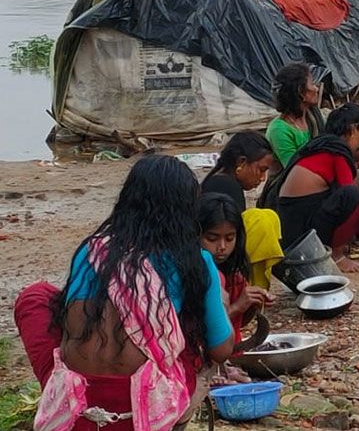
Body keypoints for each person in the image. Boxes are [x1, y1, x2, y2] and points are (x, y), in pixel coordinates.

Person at [13, 155, 234, 431]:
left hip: (78, 405)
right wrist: (222, 304)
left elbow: (67, 319)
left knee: (37, 295)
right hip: (144, 409)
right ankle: (178, 413)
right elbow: (222, 350)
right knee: (189, 324)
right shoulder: (196, 262)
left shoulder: (91, 250)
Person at [267, 103, 359, 274]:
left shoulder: (321, 145)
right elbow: (348, 193)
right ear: (354, 129)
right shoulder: (337, 152)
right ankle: (337, 255)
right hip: (299, 232)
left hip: (289, 225)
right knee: (352, 196)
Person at [198, 193, 274, 387]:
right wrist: (236, 307)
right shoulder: (194, 274)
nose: (222, 247)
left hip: (227, 353)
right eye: (212, 238)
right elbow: (195, 332)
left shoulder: (235, 274)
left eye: (229, 238)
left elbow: (236, 325)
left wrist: (250, 306)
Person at [201, 131, 285, 289]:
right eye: (261, 169)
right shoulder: (226, 186)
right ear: (241, 162)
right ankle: (252, 289)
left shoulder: (217, 179)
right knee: (262, 220)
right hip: (219, 266)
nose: (262, 178)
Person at [266, 63, 323, 168]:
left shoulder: (313, 116)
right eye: (312, 84)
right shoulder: (279, 130)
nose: (316, 88)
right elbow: (294, 169)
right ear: (301, 92)